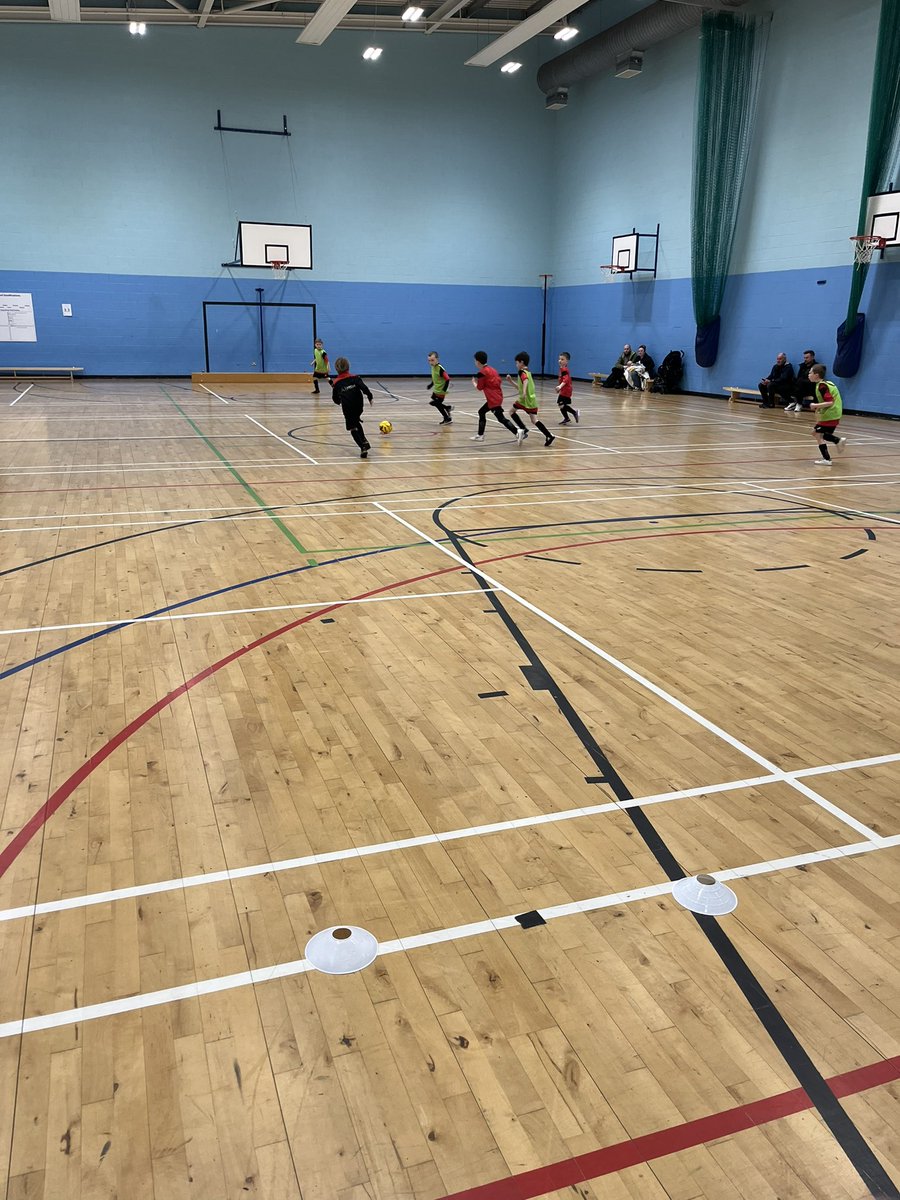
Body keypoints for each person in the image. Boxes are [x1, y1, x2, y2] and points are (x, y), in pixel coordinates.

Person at [505, 352, 555, 447]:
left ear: (521, 362)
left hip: (525, 400)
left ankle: (523, 429)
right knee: (534, 420)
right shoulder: (528, 372)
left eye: (517, 363)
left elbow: (525, 381)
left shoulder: (522, 372)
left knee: (511, 412)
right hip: (531, 400)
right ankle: (549, 435)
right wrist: (511, 382)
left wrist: (523, 392)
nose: (516, 365)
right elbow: (521, 386)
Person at [471, 351, 521, 443]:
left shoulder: (482, 373)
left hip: (493, 400)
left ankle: (517, 432)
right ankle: (480, 435)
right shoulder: (493, 370)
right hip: (497, 397)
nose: (475, 363)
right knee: (481, 412)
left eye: (475, 361)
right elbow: (498, 381)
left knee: (501, 418)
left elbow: (479, 387)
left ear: (478, 362)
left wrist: (474, 382)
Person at [331, 356, 374, 459]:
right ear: (348, 367)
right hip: (359, 405)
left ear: (336, 369)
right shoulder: (355, 377)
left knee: (352, 428)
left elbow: (335, 398)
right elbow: (364, 388)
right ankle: (364, 440)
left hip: (348, 407)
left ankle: (362, 447)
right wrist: (370, 397)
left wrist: (339, 401)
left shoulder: (336, 383)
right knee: (356, 421)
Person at [809, 364, 846, 466]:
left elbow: (830, 402)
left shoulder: (822, 386)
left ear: (816, 375)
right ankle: (837, 440)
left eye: (810, 373)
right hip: (834, 413)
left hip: (831, 414)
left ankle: (827, 459)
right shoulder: (826, 383)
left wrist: (815, 405)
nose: (808, 375)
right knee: (821, 434)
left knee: (817, 434)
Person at [426, 351, 452, 424]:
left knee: (436, 403)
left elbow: (447, 379)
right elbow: (435, 378)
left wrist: (444, 389)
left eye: (432, 360)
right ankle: (447, 408)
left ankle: (447, 418)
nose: (431, 362)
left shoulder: (440, 369)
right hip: (436, 389)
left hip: (441, 390)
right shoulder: (433, 367)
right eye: (429, 360)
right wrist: (431, 385)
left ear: (437, 359)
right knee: (433, 399)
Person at [556, 352, 579, 424]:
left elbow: (566, 380)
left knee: (561, 404)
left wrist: (560, 386)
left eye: (562, 359)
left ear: (567, 361)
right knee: (561, 404)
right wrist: (560, 388)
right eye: (559, 359)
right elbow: (561, 380)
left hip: (566, 390)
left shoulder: (564, 370)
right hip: (564, 389)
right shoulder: (562, 368)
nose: (560, 360)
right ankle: (567, 418)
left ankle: (574, 412)